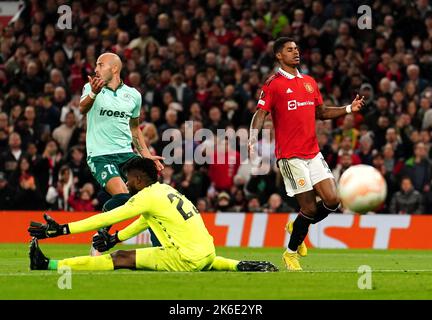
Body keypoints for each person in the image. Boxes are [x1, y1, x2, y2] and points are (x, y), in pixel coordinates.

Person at [28, 157, 277, 273]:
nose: (126, 183)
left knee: (120, 259)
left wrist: (62, 230)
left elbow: (105, 218)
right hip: (208, 253)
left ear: (138, 179)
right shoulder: (165, 191)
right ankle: (239, 265)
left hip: (185, 260)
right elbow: (145, 220)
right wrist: (116, 237)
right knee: (200, 258)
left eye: (128, 179)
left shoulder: (146, 196)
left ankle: (48, 265)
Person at [248, 37, 364, 271]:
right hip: (291, 157)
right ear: (279, 55)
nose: (295, 52)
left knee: (332, 201)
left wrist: (349, 108)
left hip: (312, 152)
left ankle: (297, 225)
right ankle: (290, 254)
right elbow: (261, 113)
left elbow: (320, 112)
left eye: (297, 49)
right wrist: (252, 137)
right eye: (289, 50)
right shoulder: (273, 84)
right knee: (310, 208)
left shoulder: (310, 82)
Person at [79, 52, 164, 253]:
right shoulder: (91, 88)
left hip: (126, 154)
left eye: (100, 65)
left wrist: (146, 154)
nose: (96, 69)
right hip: (100, 155)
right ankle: (100, 237)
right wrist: (93, 93)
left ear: (114, 68)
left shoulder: (134, 95)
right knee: (124, 195)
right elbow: (82, 109)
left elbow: (135, 129)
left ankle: (160, 249)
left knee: (152, 197)